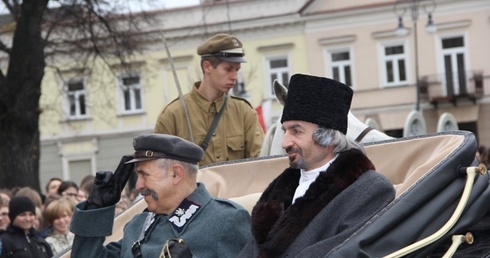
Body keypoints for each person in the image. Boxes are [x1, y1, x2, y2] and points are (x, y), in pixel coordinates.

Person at [237, 74, 396, 257]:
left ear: (327, 137)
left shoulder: (371, 190)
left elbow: (345, 253)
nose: (285, 142)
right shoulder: (278, 190)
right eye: (285, 131)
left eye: (296, 131)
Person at [70, 134, 251, 258]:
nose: (139, 185)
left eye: (145, 175)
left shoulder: (226, 221)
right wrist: (96, 210)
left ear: (176, 174)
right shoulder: (138, 226)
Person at [154, 33, 264, 166]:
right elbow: (159, 170)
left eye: (237, 70)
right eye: (228, 69)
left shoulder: (244, 112)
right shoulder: (173, 116)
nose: (235, 76)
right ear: (207, 67)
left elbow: (261, 161)